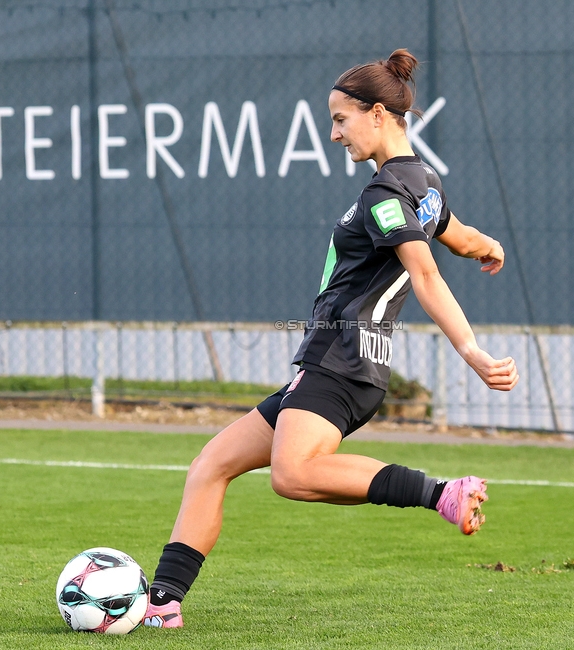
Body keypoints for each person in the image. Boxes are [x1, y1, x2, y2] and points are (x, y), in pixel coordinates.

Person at [141, 49, 520, 629]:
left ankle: (441, 492)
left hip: (337, 359)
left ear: (377, 114)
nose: (335, 134)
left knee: (292, 474)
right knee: (210, 465)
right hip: (348, 366)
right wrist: (488, 246)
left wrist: (471, 351)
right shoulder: (424, 183)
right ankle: (163, 603)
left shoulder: (385, 194)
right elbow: (458, 235)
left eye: (341, 120)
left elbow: (425, 274)